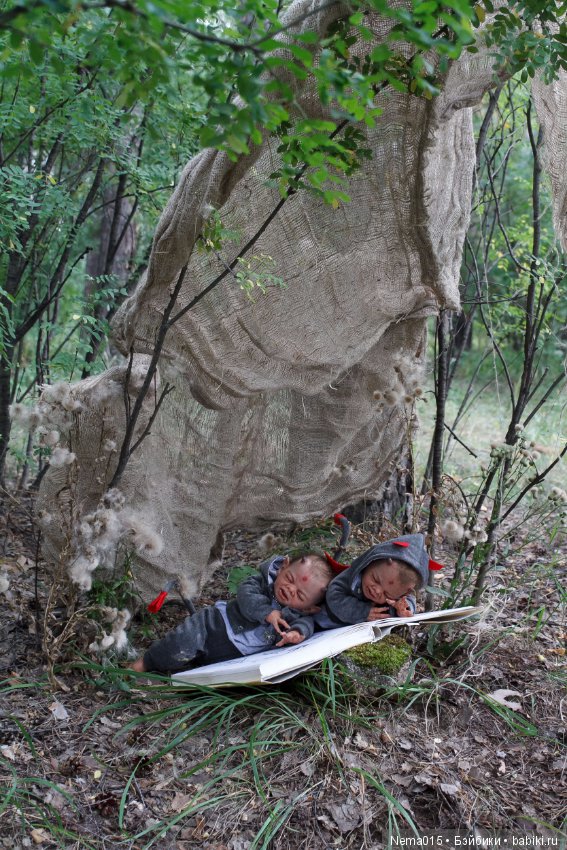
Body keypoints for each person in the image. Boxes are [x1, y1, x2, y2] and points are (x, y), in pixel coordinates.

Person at [130, 552, 334, 673]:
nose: (290, 589)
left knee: (202, 671)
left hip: (237, 655)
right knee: (180, 644)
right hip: (214, 626)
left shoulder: (298, 614)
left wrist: (297, 633)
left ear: (309, 607)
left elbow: (307, 624)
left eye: (299, 594)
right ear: (283, 566)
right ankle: (144, 664)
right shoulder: (261, 583)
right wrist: (267, 612)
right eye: (290, 579)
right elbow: (246, 595)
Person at [323, 533, 435, 626]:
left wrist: (403, 610)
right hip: (323, 621)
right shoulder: (353, 576)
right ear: (370, 562)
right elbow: (333, 595)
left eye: (387, 594)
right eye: (375, 579)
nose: (377, 591)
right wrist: (363, 611)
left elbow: (409, 602)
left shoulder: (400, 592)